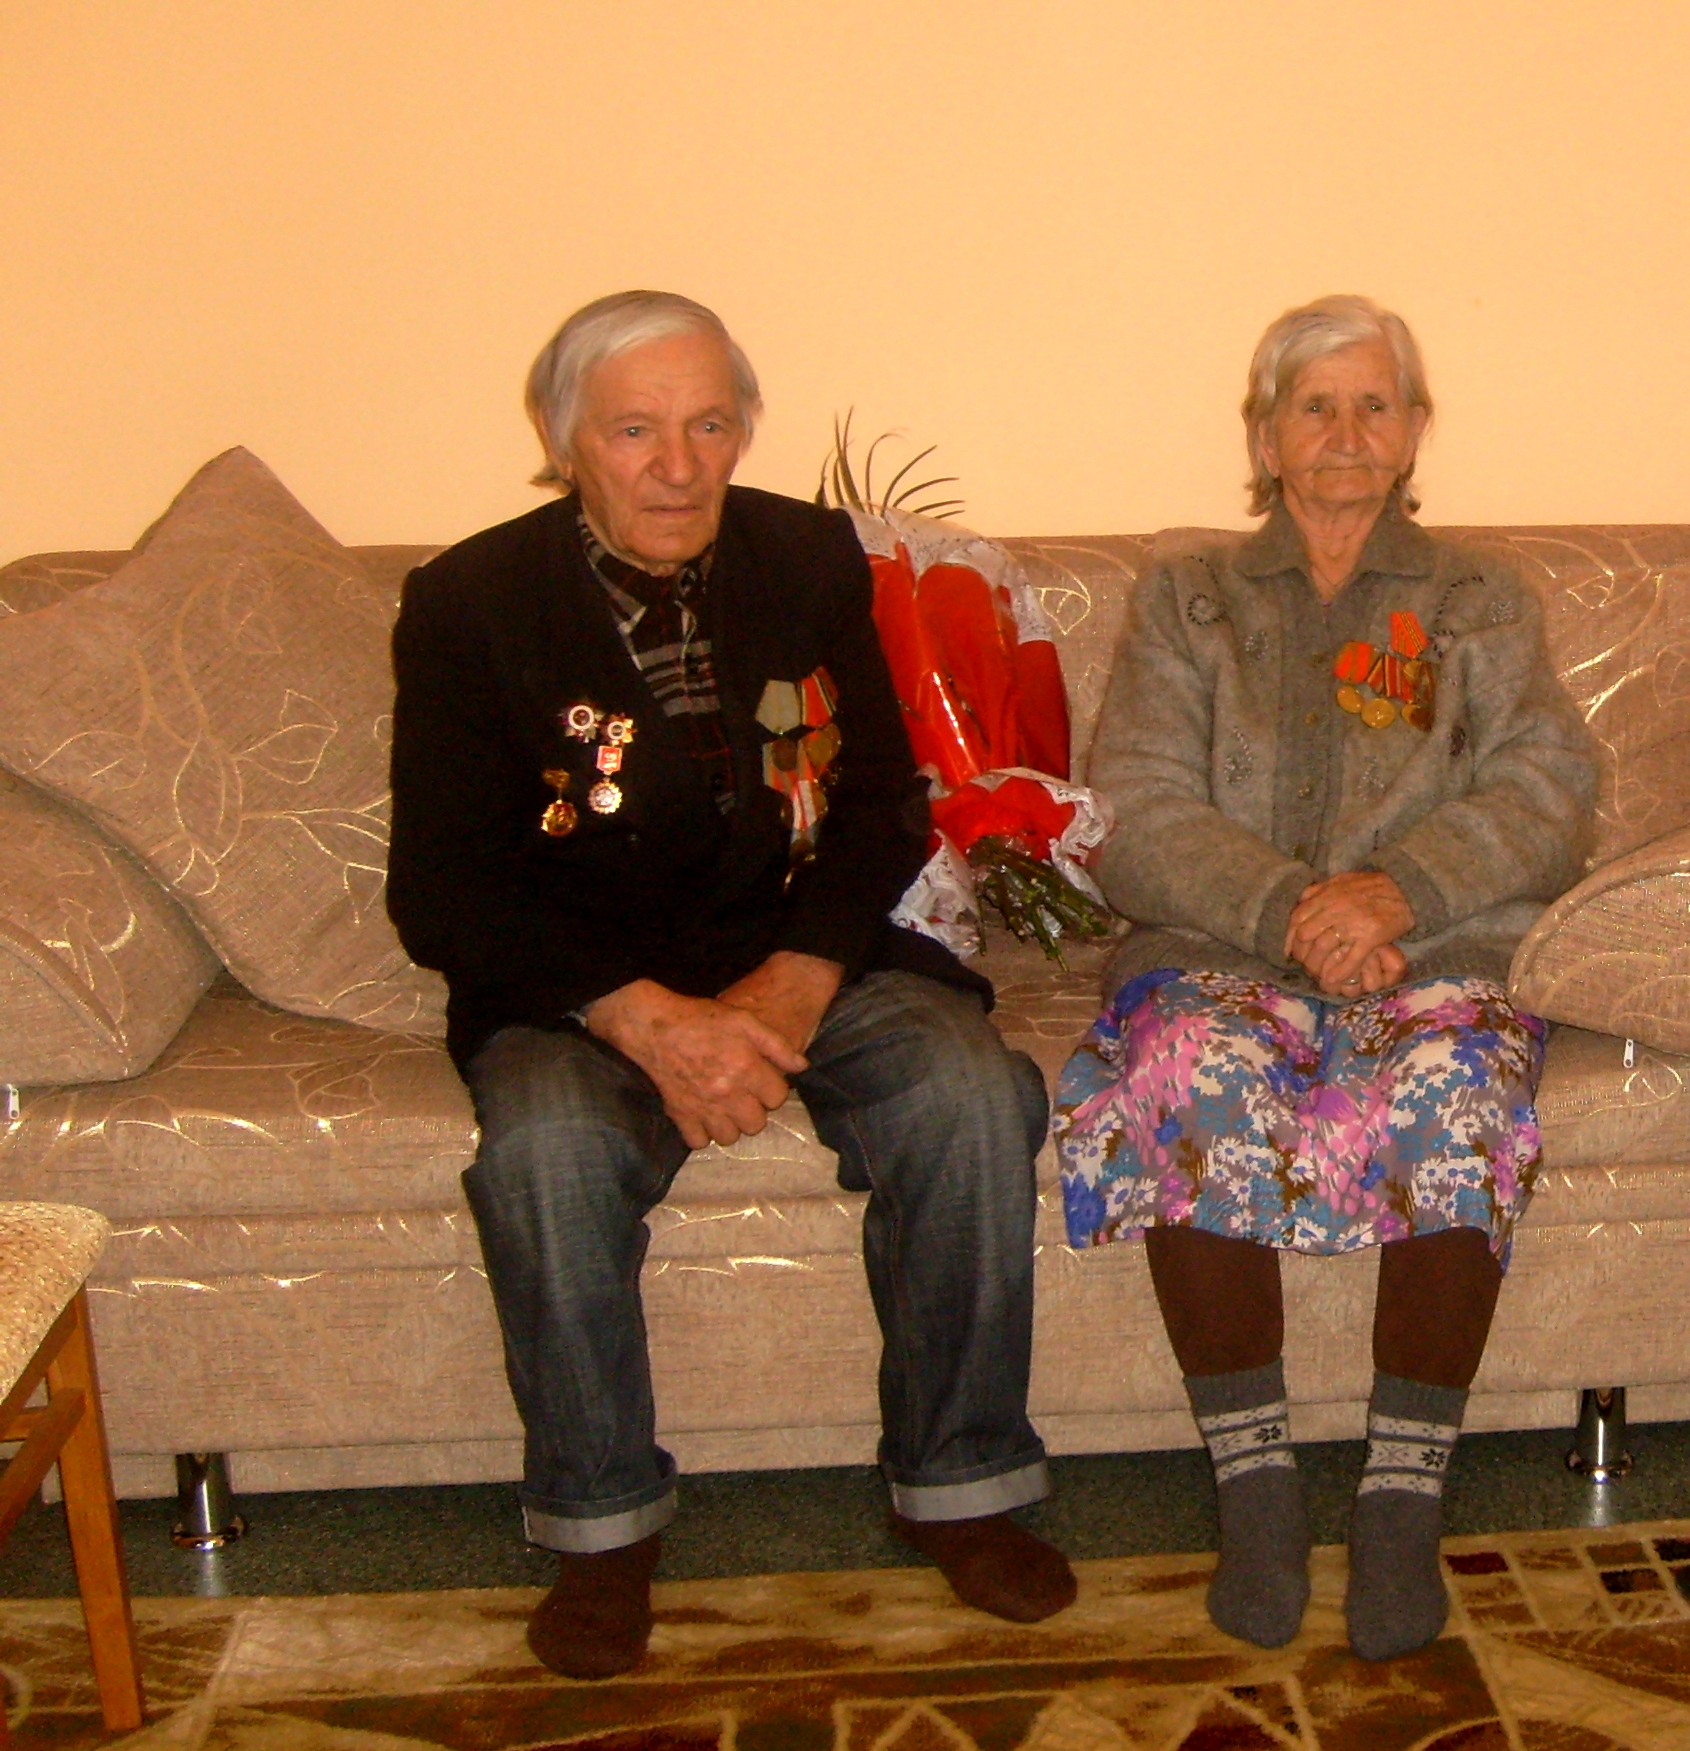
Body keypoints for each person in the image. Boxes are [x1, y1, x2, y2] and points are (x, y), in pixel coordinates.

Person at [387, 290, 1075, 1680]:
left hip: (800, 947)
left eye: (709, 426)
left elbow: (878, 804)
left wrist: (795, 982)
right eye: (635, 431)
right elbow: (443, 888)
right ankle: (601, 1532)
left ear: (744, 429)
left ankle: (962, 1485)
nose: (678, 466)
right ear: (564, 440)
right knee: (545, 1152)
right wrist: (646, 1019)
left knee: (967, 1094)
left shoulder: (806, 557)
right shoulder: (469, 601)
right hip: (580, 984)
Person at [1055, 295, 1596, 1661]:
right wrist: (1293, 908)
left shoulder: (1476, 598)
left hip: (1436, 946)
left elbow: (1546, 789)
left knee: (1456, 1095)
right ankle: (1256, 1487)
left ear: (1413, 432)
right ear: (1265, 438)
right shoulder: (1189, 598)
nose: (1346, 433)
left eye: (1374, 404)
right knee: (1190, 1078)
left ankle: (1402, 1495)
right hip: (1222, 948)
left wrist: (1397, 895)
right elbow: (1133, 805)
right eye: (1314, 407)